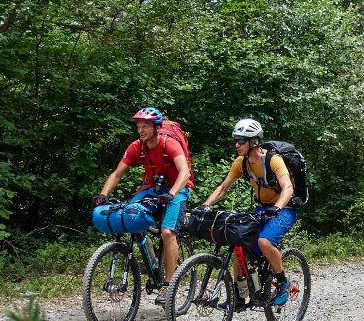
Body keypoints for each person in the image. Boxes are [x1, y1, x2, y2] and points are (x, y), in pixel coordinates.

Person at [93, 107, 192, 304]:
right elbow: (117, 174)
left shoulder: (169, 144)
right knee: (129, 216)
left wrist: (171, 194)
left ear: (156, 127)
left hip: (177, 189)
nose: (141, 130)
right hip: (152, 187)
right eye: (138, 126)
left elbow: (185, 172)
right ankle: (153, 263)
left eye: (145, 126)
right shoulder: (136, 147)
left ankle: (168, 285)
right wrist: (102, 195)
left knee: (167, 233)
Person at [200, 118, 298, 307]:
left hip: (284, 208)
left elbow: (287, 188)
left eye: (241, 141)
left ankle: (283, 282)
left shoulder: (273, 160)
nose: (237, 144)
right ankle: (239, 296)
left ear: (253, 142)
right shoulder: (241, 163)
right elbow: (222, 189)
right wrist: (206, 206)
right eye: (235, 140)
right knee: (239, 242)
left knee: (264, 241)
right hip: (262, 209)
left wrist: (277, 207)